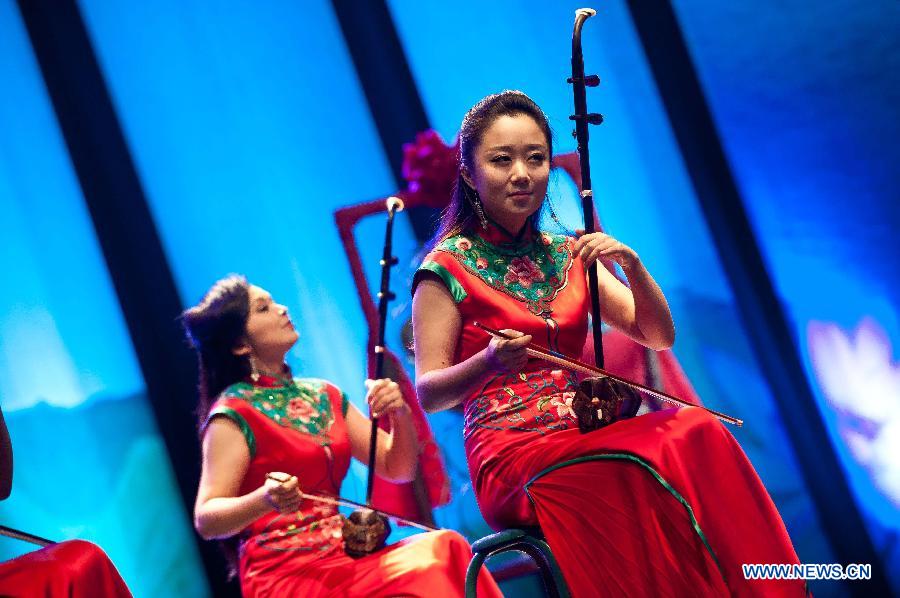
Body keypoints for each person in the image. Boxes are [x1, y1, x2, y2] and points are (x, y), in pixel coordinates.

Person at [412, 90, 805, 597]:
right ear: (468, 174)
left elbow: (659, 335)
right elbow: (431, 392)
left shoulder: (569, 253)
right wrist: (488, 362)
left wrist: (632, 267)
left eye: (535, 158)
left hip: (583, 430)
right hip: (511, 454)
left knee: (698, 429)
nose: (522, 174)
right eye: (501, 160)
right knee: (633, 459)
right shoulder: (445, 269)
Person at [183, 276, 501, 598]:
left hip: (342, 555)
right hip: (286, 572)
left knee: (447, 547)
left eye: (274, 301)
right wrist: (263, 499)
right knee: (425, 571)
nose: (281, 309)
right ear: (241, 345)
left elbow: (399, 468)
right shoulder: (234, 412)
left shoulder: (323, 395)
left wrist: (399, 413)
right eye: (264, 309)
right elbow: (207, 518)